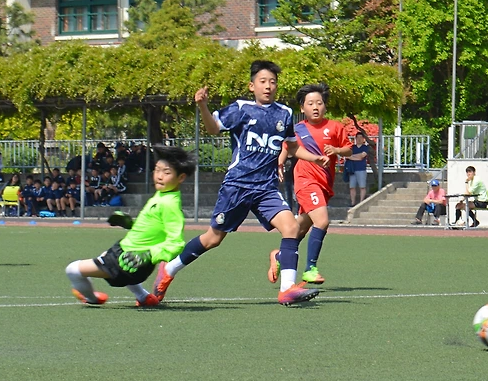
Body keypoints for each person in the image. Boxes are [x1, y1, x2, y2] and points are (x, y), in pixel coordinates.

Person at [151, 60, 321, 307]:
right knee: (213, 239)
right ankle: (169, 271)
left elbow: (292, 147)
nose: (268, 86)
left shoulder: (284, 113)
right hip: (238, 186)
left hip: (266, 189)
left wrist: (313, 157)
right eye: (263, 82)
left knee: (291, 228)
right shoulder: (241, 108)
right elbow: (213, 129)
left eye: (272, 82)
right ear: (252, 86)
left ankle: (287, 290)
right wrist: (203, 106)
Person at [67, 146, 195, 306]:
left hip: (129, 263)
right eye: (157, 170)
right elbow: (152, 229)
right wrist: (131, 225)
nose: (159, 176)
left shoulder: (170, 204)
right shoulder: (163, 195)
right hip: (126, 254)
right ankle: (143, 297)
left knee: (72, 270)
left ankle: (92, 298)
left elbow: (176, 243)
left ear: (181, 177)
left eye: (166, 172)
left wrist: (148, 255)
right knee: (106, 255)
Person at [275, 83, 351, 287]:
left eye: (319, 102)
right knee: (323, 221)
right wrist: (280, 163)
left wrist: (337, 150)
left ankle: (280, 255)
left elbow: (348, 150)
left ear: (325, 106)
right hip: (305, 180)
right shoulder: (298, 129)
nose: (315, 106)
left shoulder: (336, 127)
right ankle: (310, 268)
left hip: (325, 183)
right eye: (310, 103)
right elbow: (287, 148)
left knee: (300, 228)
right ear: (302, 108)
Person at [345, 130, 371, 205]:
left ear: (363, 139)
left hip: (361, 169)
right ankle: (352, 202)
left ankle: (361, 202)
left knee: (362, 187)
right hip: (352, 169)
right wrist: (356, 157)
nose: (359, 139)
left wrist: (352, 157)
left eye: (361, 137)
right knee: (352, 187)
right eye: (357, 138)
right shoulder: (352, 148)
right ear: (355, 139)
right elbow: (347, 156)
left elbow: (362, 156)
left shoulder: (365, 147)